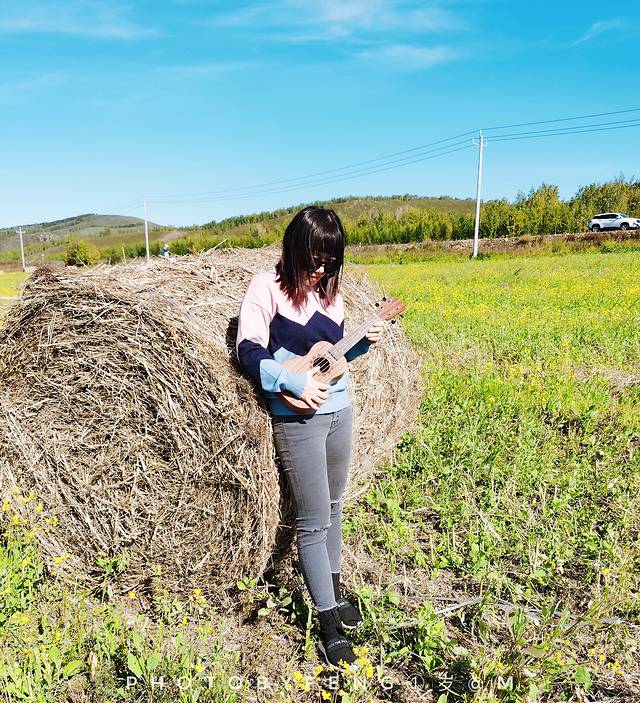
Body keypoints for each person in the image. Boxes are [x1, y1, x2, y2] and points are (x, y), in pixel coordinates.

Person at [235, 206, 384, 667]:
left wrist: (363, 342)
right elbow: (247, 349)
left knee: (335, 507)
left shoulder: (330, 297)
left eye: (330, 261)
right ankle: (328, 624)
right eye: (316, 259)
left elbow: (332, 359)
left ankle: (333, 594)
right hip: (297, 418)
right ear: (296, 248)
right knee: (314, 519)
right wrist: (291, 382)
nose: (321, 270)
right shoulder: (266, 287)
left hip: (340, 411)